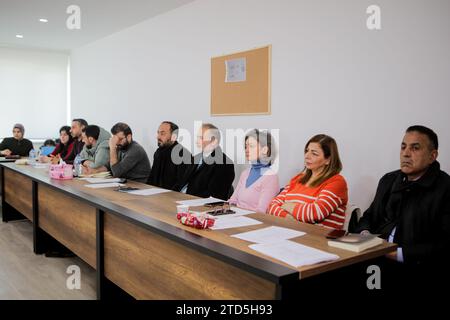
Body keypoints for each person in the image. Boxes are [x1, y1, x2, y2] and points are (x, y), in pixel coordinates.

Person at [354, 126, 450, 268]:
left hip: (414, 262)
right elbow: (369, 216)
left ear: (432, 156)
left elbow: (444, 243)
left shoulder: (445, 188)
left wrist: (396, 253)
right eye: (403, 147)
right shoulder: (389, 180)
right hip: (375, 258)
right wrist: (365, 235)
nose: (406, 154)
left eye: (415, 148)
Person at [267, 134, 348, 230]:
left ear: (328, 160)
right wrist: (289, 218)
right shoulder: (298, 179)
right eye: (307, 151)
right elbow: (272, 207)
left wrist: (287, 205)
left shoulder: (337, 182)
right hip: (290, 232)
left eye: (314, 153)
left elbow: (314, 214)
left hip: (318, 240)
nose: (307, 156)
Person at [175, 123, 235, 200]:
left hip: (197, 204)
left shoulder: (224, 164)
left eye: (201, 138)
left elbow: (215, 195)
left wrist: (187, 198)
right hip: (180, 199)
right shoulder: (195, 158)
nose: (197, 141)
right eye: (197, 137)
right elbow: (182, 182)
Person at [228, 129, 279, 213]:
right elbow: (233, 201)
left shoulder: (271, 177)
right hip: (235, 217)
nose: (246, 150)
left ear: (264, 150)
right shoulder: (245, 173)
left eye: (251, 146)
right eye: (246, 146)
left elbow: (261, 212)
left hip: (253, 221)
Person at [147, 121, 192, 190]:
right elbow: (152, 178)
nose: (158, 137)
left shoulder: (183, 155)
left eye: (162, 133)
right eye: (158, 133)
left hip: (172, 197)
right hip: (156, 194)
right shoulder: (158, 152)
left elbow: (180, 184)